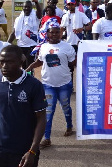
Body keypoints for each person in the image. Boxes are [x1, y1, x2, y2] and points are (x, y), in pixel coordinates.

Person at [26, 21, 76, 149]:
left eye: (57, 32)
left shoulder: (67, 47)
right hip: (48, 84)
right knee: (48, 112)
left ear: (61, 33)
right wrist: (26, 70)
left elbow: (74, 63)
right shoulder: (43, 47)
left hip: (64, 84)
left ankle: (69, 125)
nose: (54, 34)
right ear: (47, 33)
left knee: (65, 107)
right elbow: (39, 62)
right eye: (51, 32)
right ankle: (46, 138)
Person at [0, 45, 47, 167]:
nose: (4, 66)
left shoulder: (34, 85)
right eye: (2, 62)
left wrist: (32, 150)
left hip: (23, 151)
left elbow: (41, 117)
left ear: (21, 61)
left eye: (9, 62)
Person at [8, 0, 42, 70]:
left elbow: (40, 13)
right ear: (22, 8)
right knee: (22, 66)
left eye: (28, 7)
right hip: (20, 47)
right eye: (25, 7)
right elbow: (14, 33)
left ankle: (30, 80)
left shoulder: (35, 17)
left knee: (29, 66)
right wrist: (7, 43)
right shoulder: (18, 19)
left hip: (31, 46)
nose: (26, 8)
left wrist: (36, 3)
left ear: (31, 8)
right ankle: (24, 80)